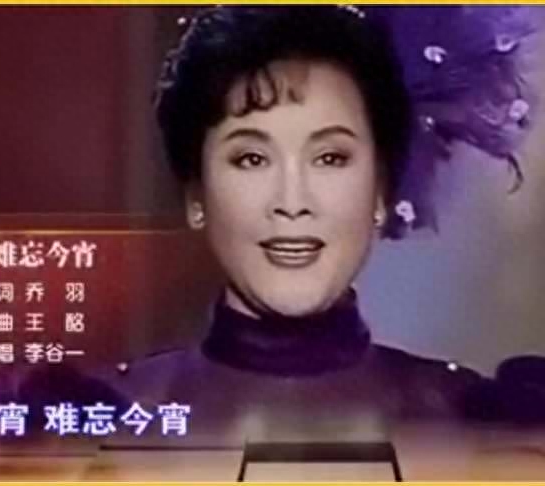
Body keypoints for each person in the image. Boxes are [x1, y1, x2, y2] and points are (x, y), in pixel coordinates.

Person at [100, 5, 545, 442]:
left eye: (330, 158)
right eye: (251, 159)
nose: (292, 202)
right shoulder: (100, 417)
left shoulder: (479, 421)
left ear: (381, 192)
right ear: (196, 196)